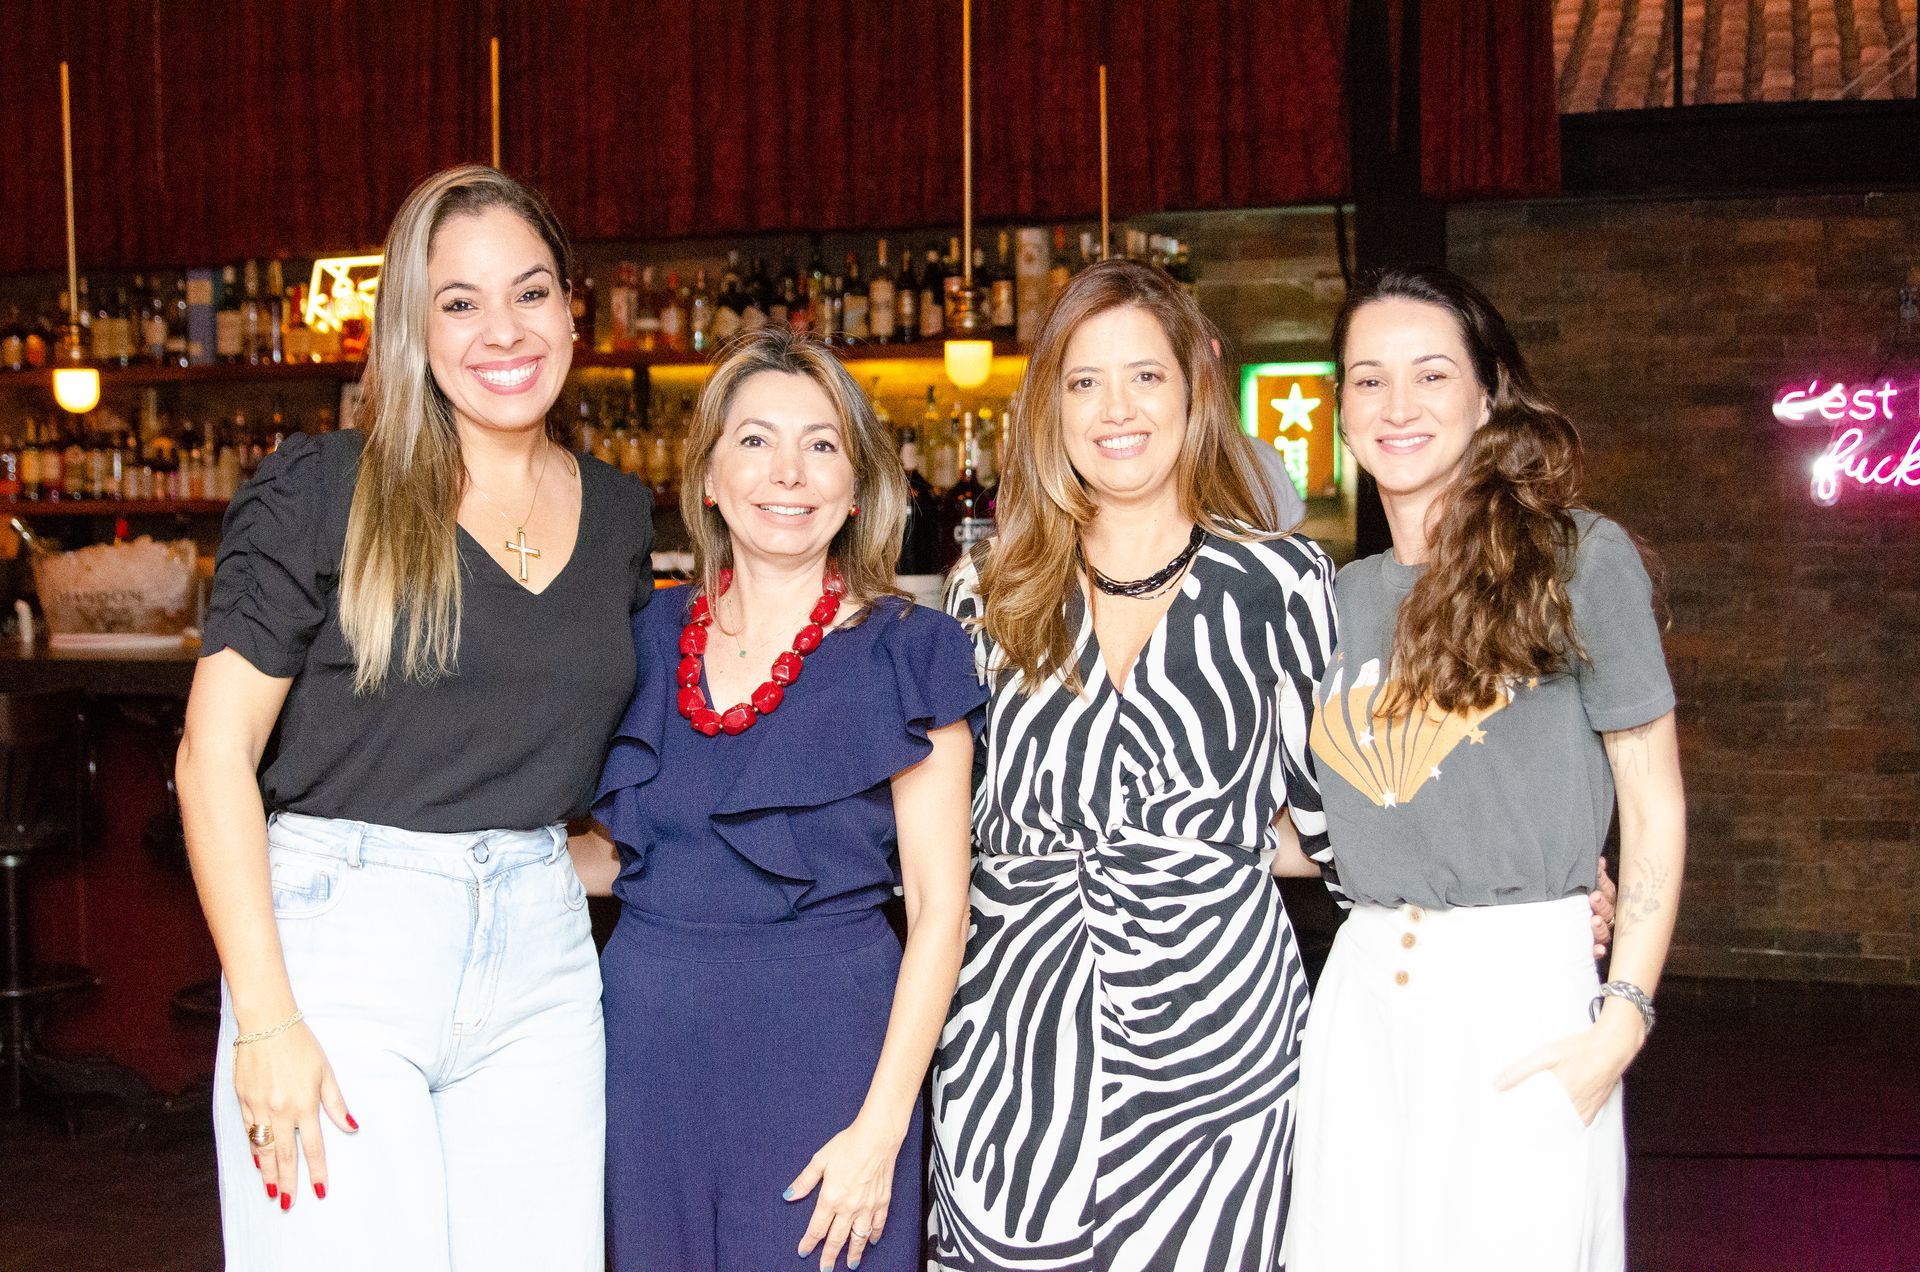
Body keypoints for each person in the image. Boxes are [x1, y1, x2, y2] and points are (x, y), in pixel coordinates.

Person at [177, 165, 653, 1270]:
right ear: (412, 326)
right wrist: (267, 1021)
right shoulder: (322, 489)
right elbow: (212, 758)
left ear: (572, 309)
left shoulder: (622, 512)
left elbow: (592, 762)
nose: (504, 330)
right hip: (340, 949)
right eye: (460, 301)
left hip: (539, 955)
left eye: (531, 293)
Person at [928, 258, 1337, 1270]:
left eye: (1144, 376)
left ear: (1193, 393)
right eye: (1083, 381)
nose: (1116, 409)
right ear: (1050, 409)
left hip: (1222, 1062)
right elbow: (943, 840)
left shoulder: (1281, 584)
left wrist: (1533, 886)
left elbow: (1349, 829)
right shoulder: (985, 592)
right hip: (1013, 1060)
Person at [1283, 265, 1686, 1270]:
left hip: (1523, 999)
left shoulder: (1578, 558)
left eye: (1429, 374)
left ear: (1489, 392)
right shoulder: (1332, 598)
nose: (1397, 405)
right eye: (1366, 380)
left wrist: (1622, 1020)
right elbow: (1327, 828)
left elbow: (1654, 801)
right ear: (1340, 407)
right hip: (1363, 990)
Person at [575, 327, 980, 1272]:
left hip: (827, 1056)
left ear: (855, 486)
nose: (788, 472)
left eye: (822, 444)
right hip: (650, 1055)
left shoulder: (911, 652)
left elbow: (940, 910)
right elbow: (619, 856)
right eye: (756, 440)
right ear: (710, 476)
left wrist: (881, 1131)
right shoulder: (641, 634)